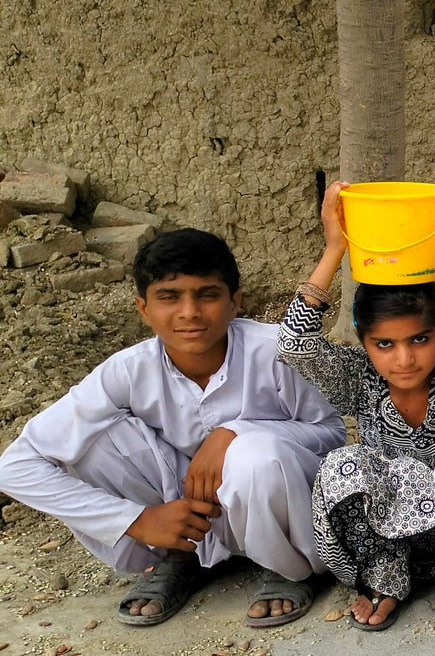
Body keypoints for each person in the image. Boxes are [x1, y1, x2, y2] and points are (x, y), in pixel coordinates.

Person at [0, 228, 348, 628]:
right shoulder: (127, 370)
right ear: (143, 308)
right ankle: (181, 556)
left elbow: (330, 433)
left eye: (207, 295)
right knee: (89, 441)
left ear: (235, 302)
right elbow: (15, 467)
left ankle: (289, 567)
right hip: (183, 517)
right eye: (169, 297)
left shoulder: (275, 351)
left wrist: (238, 431)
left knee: (255, 455)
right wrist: (136, 519)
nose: (189, 313)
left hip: (271, 504)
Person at [277, 181, 435, 632]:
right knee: (341, 467)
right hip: (386, 537)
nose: (404, 358)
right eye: (384, 344)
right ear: (364, 343)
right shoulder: (359, 379)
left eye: (419, 339)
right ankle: (386, 580)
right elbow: (294, 344)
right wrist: (335, 248)